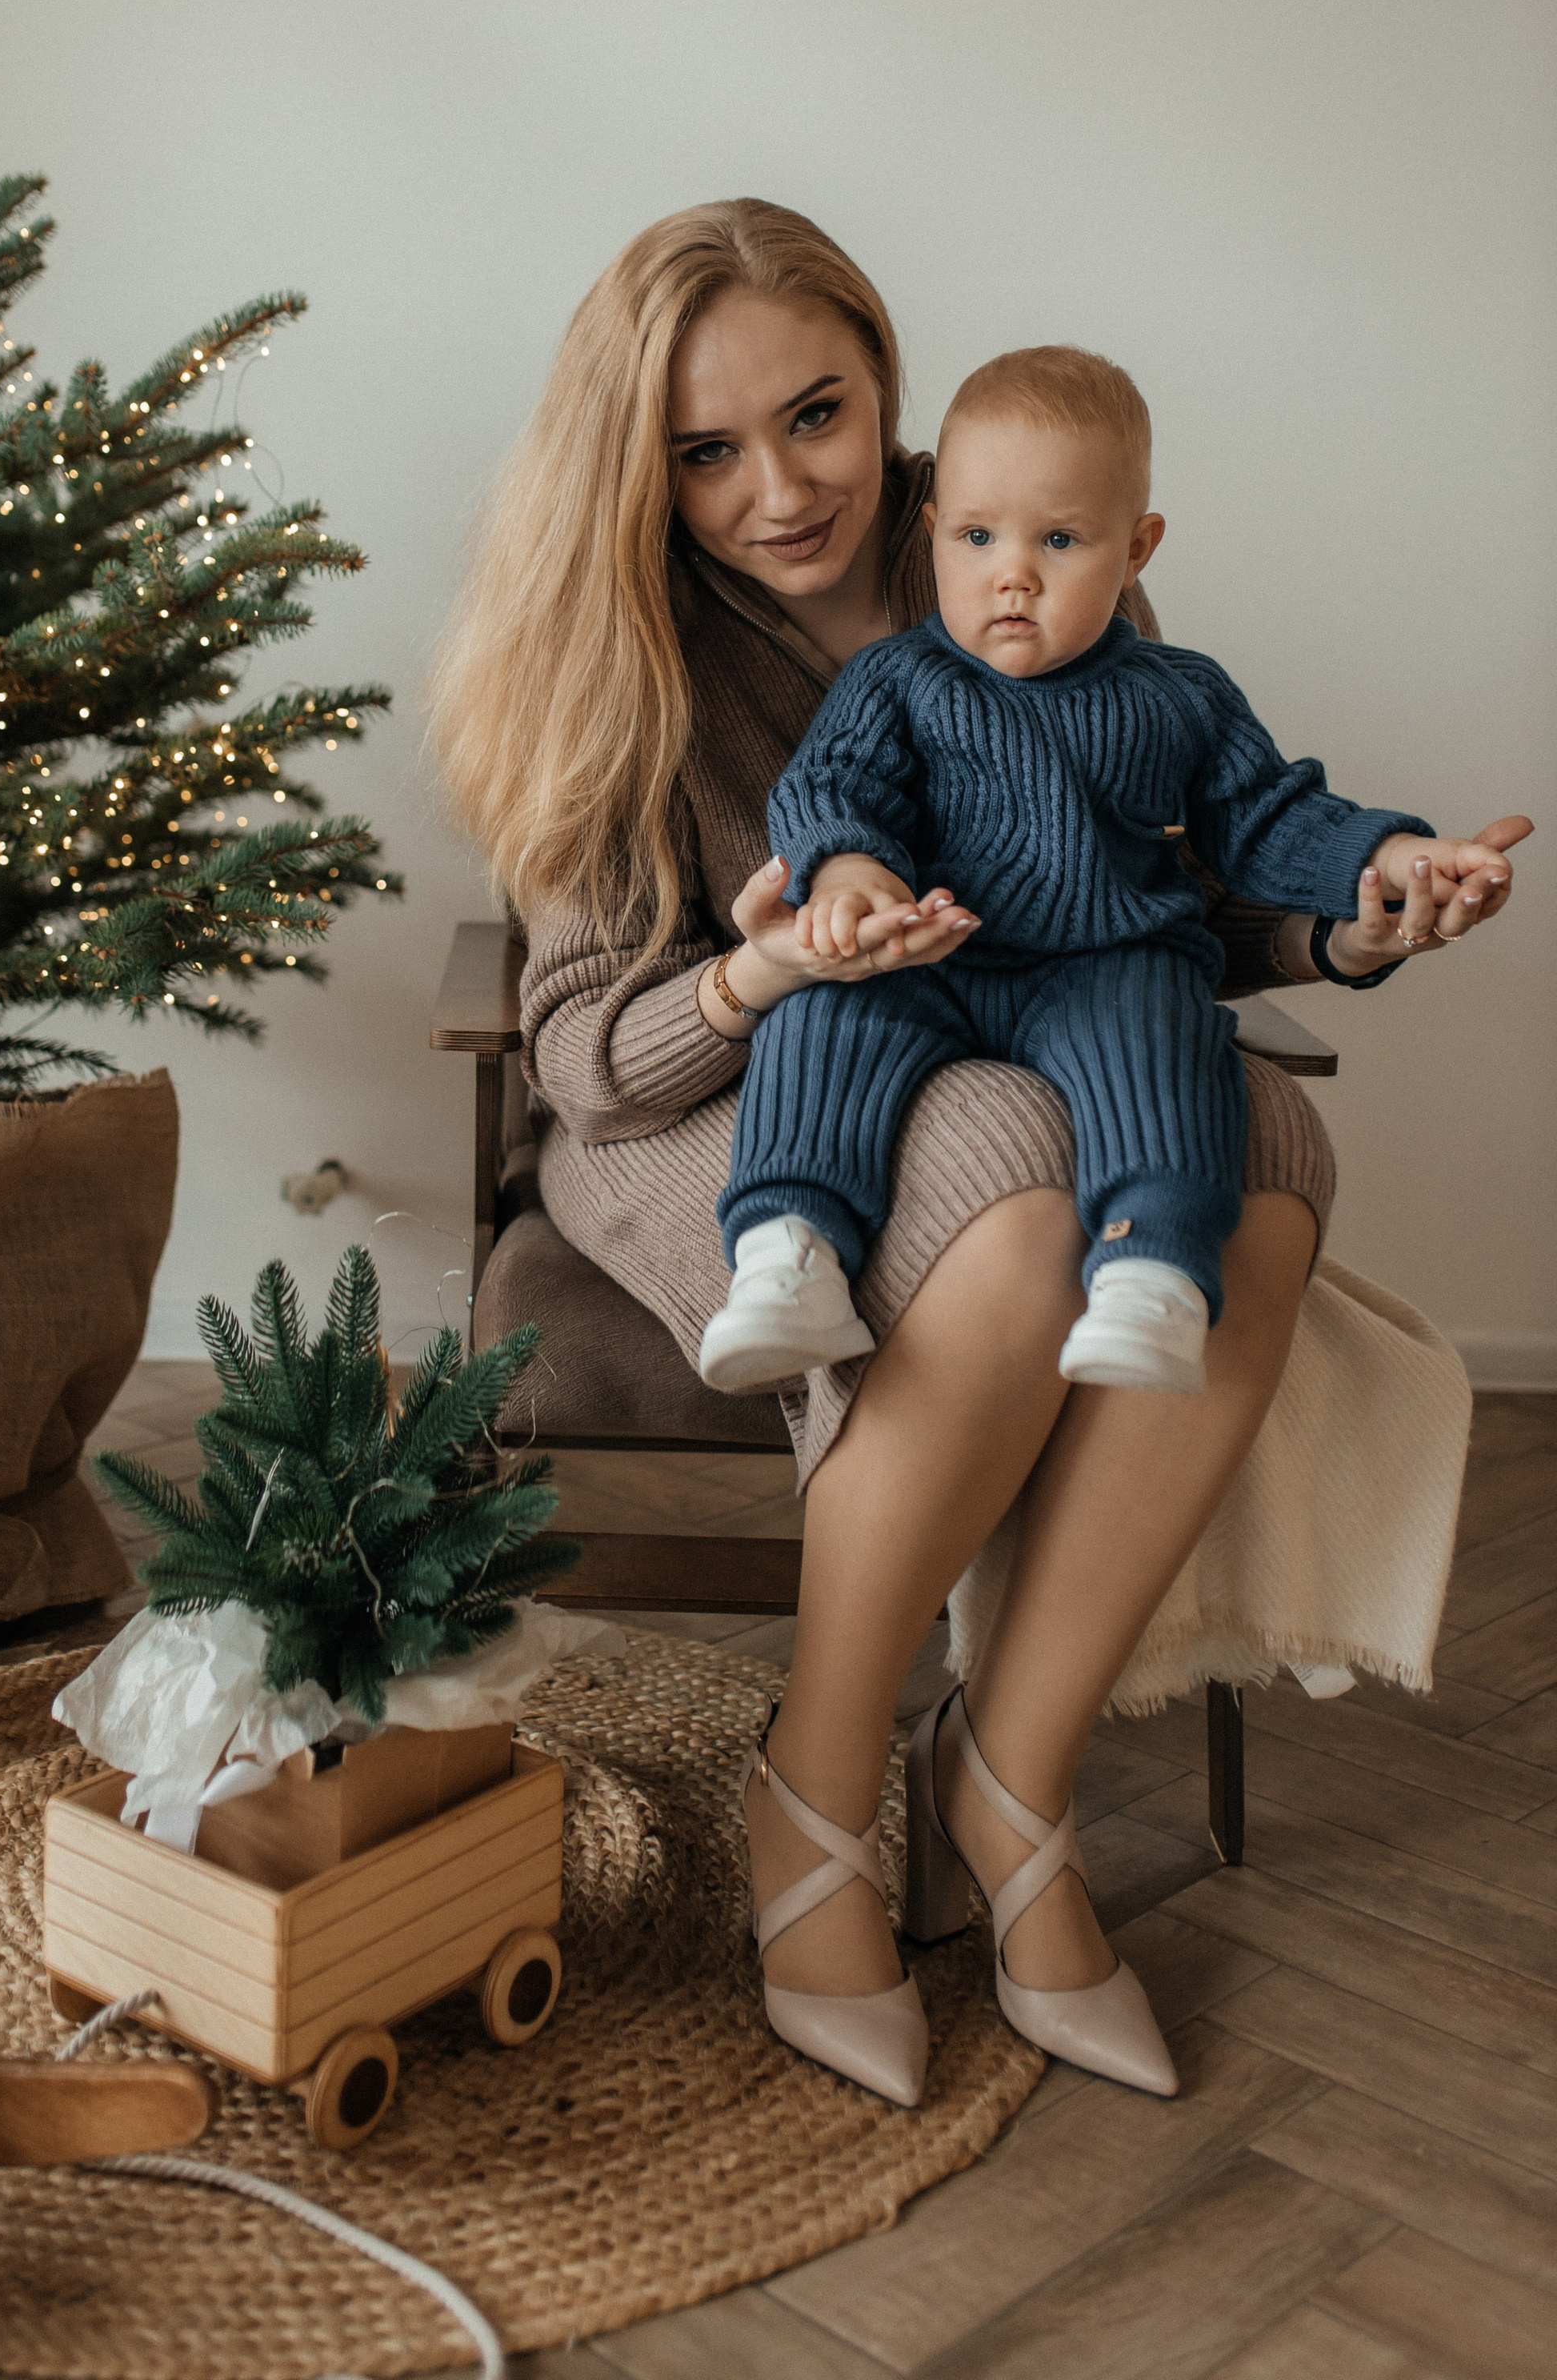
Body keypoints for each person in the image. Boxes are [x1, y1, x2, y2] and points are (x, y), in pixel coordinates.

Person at [434, 199, 1527, 2110]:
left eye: (817, 415)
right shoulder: (611, 638)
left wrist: (1354, 920)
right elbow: (591, 1065)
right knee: (1018, 1200)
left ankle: (1003, 1785)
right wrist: (769, 964)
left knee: (1257, 1139)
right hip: (718, 1101)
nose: (778, 488)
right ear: (639, 463)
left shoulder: (1029, 511)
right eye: (703, 450)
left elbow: (1175, 878)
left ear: (882, 378)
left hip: (1013, 1034)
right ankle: (815, 1783)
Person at [702, 343, 1509, 1407]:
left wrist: (1395, 857)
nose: (1012, 574)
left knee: (1169, 1044)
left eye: (1061, 540)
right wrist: (854, 878)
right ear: (935, 525)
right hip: (928, 951)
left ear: (1136, 550)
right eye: (977, 536)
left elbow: (1267, 816)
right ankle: (789, 1254)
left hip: (1104, 960)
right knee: (820, 1022)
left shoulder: (1179, 693)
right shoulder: (896, 679)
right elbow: (832, 787)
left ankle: (1152, 1271)